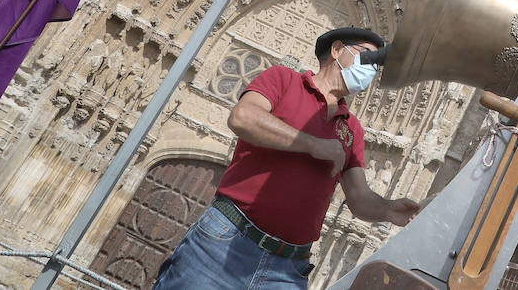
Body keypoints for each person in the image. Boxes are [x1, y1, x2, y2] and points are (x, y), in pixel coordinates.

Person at [153, 27, 419, 288]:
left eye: (377, 66)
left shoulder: (352, 128)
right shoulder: (283, 80)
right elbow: (243, 117)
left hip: (288, 270)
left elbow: (359, 198)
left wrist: (387, 209)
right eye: (368, 57)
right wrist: (314, 145)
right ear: (337, 50)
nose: (371, 70)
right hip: (225, 244)